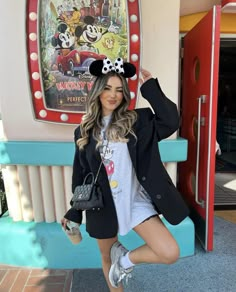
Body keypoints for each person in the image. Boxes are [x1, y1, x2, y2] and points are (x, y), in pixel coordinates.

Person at [61, 57, 189, 291]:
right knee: (106, 258)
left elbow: (171, 121)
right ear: (98, 91)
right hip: (103, 205)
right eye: (108, 88)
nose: (113, 95)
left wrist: (150, 87)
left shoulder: (137, 121)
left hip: (136, 201)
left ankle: (125, 260)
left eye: (119, 90)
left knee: (169, 252)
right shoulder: (84, 130)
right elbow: (81, 173)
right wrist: (74, 211)